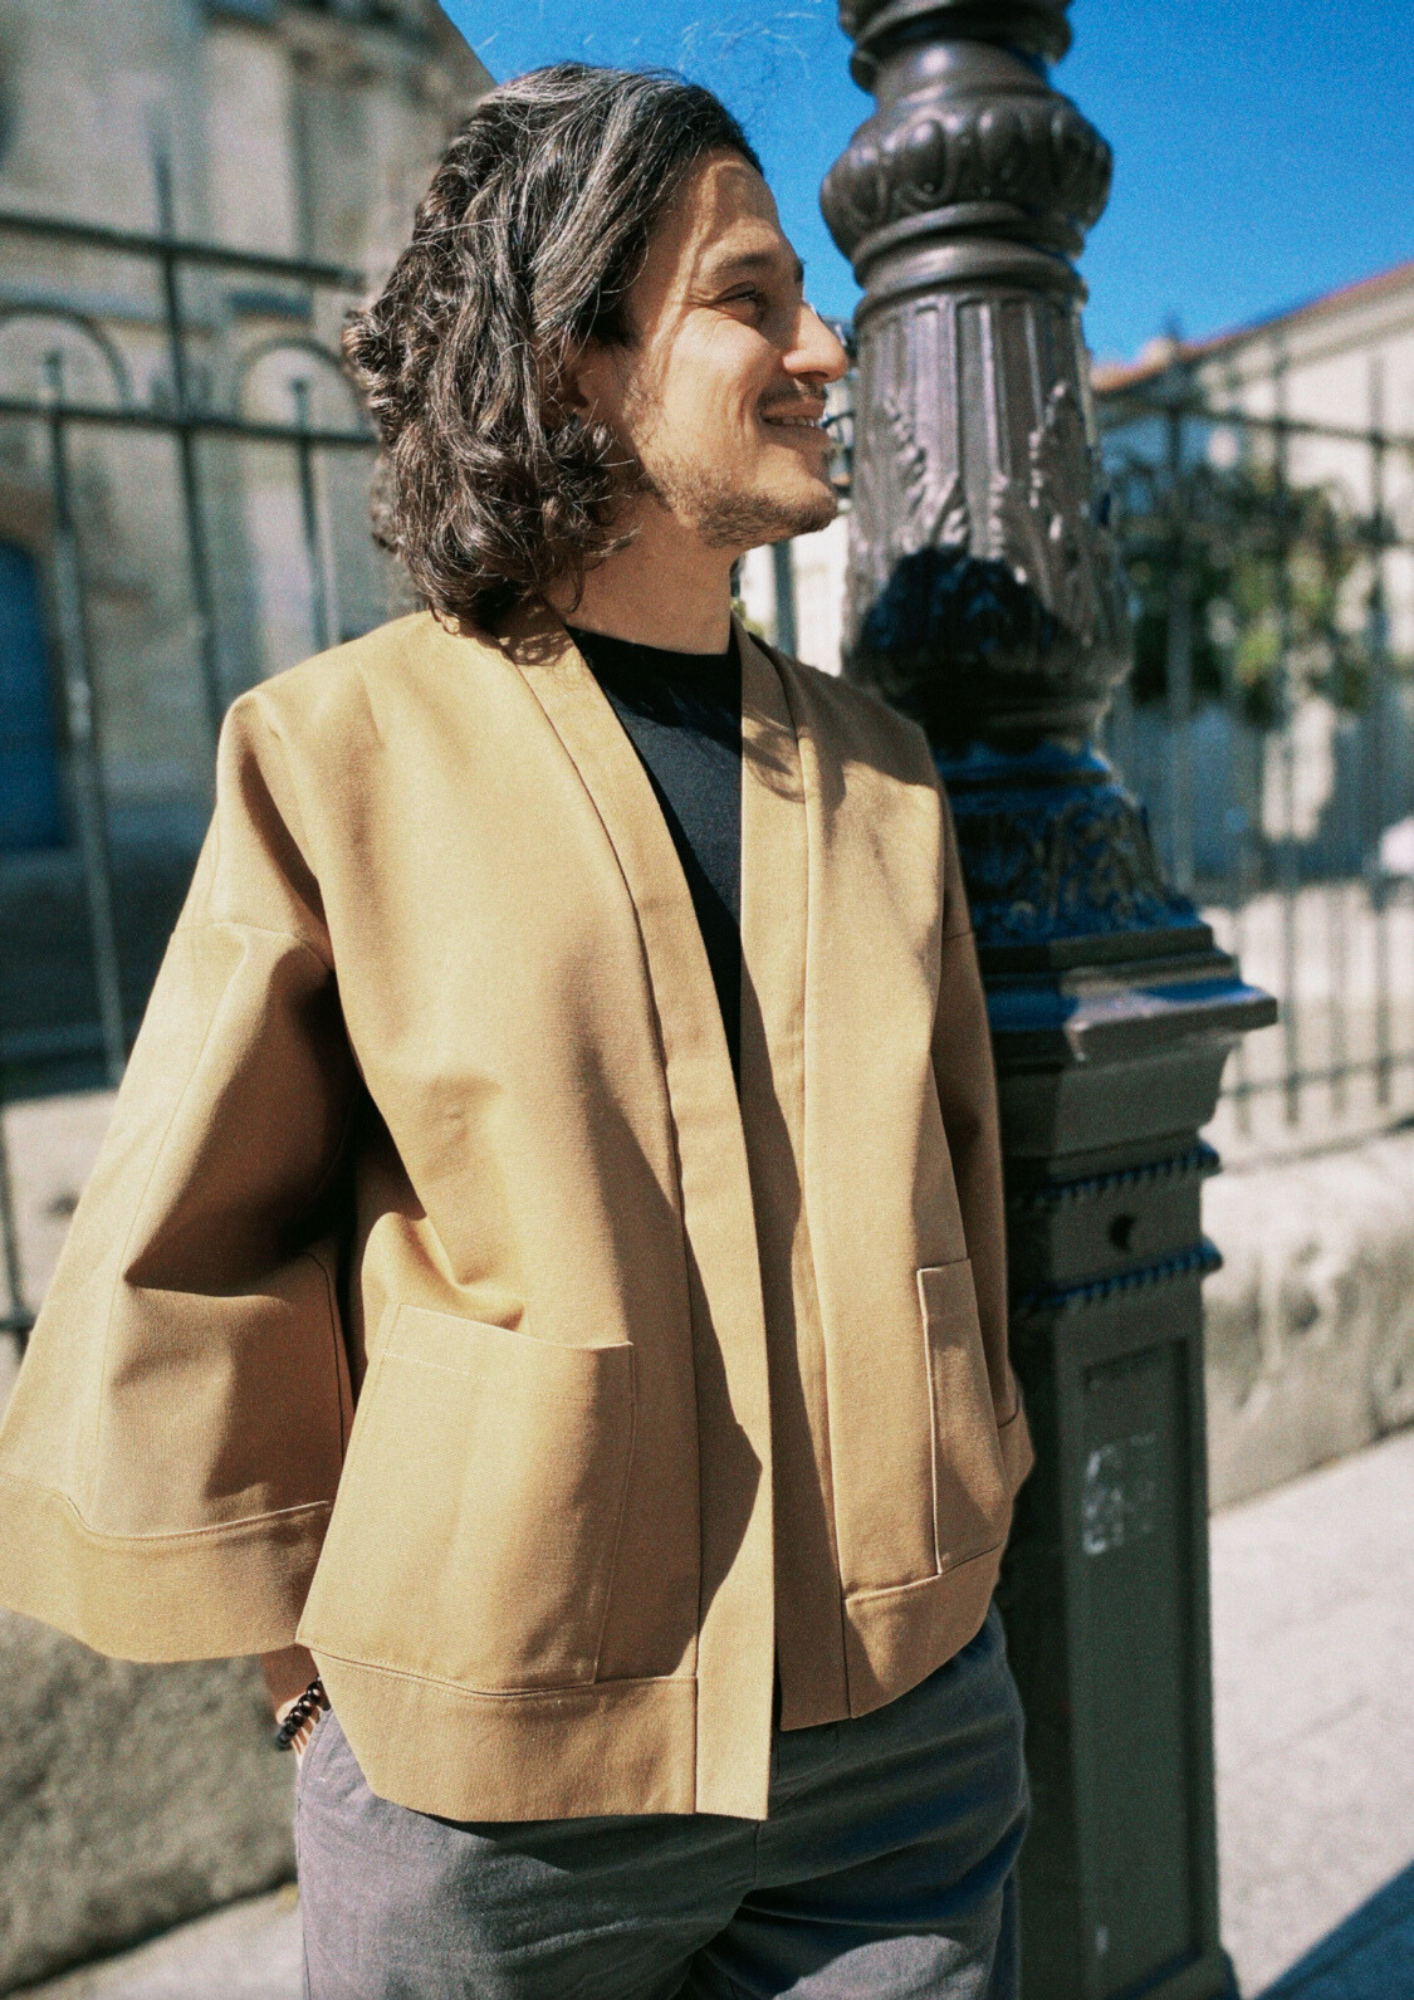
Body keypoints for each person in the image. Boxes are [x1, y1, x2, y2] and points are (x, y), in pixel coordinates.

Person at [0, 64, 1033, 2000]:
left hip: (901, 1740)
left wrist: (957, 1511)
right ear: (569, 360)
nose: (827, 346)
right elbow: (197, 1240)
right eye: (749, 296)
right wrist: (317, 1693)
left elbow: (958, 1191)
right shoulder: (337, 750)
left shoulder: (883, 773)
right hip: (491, 1780)